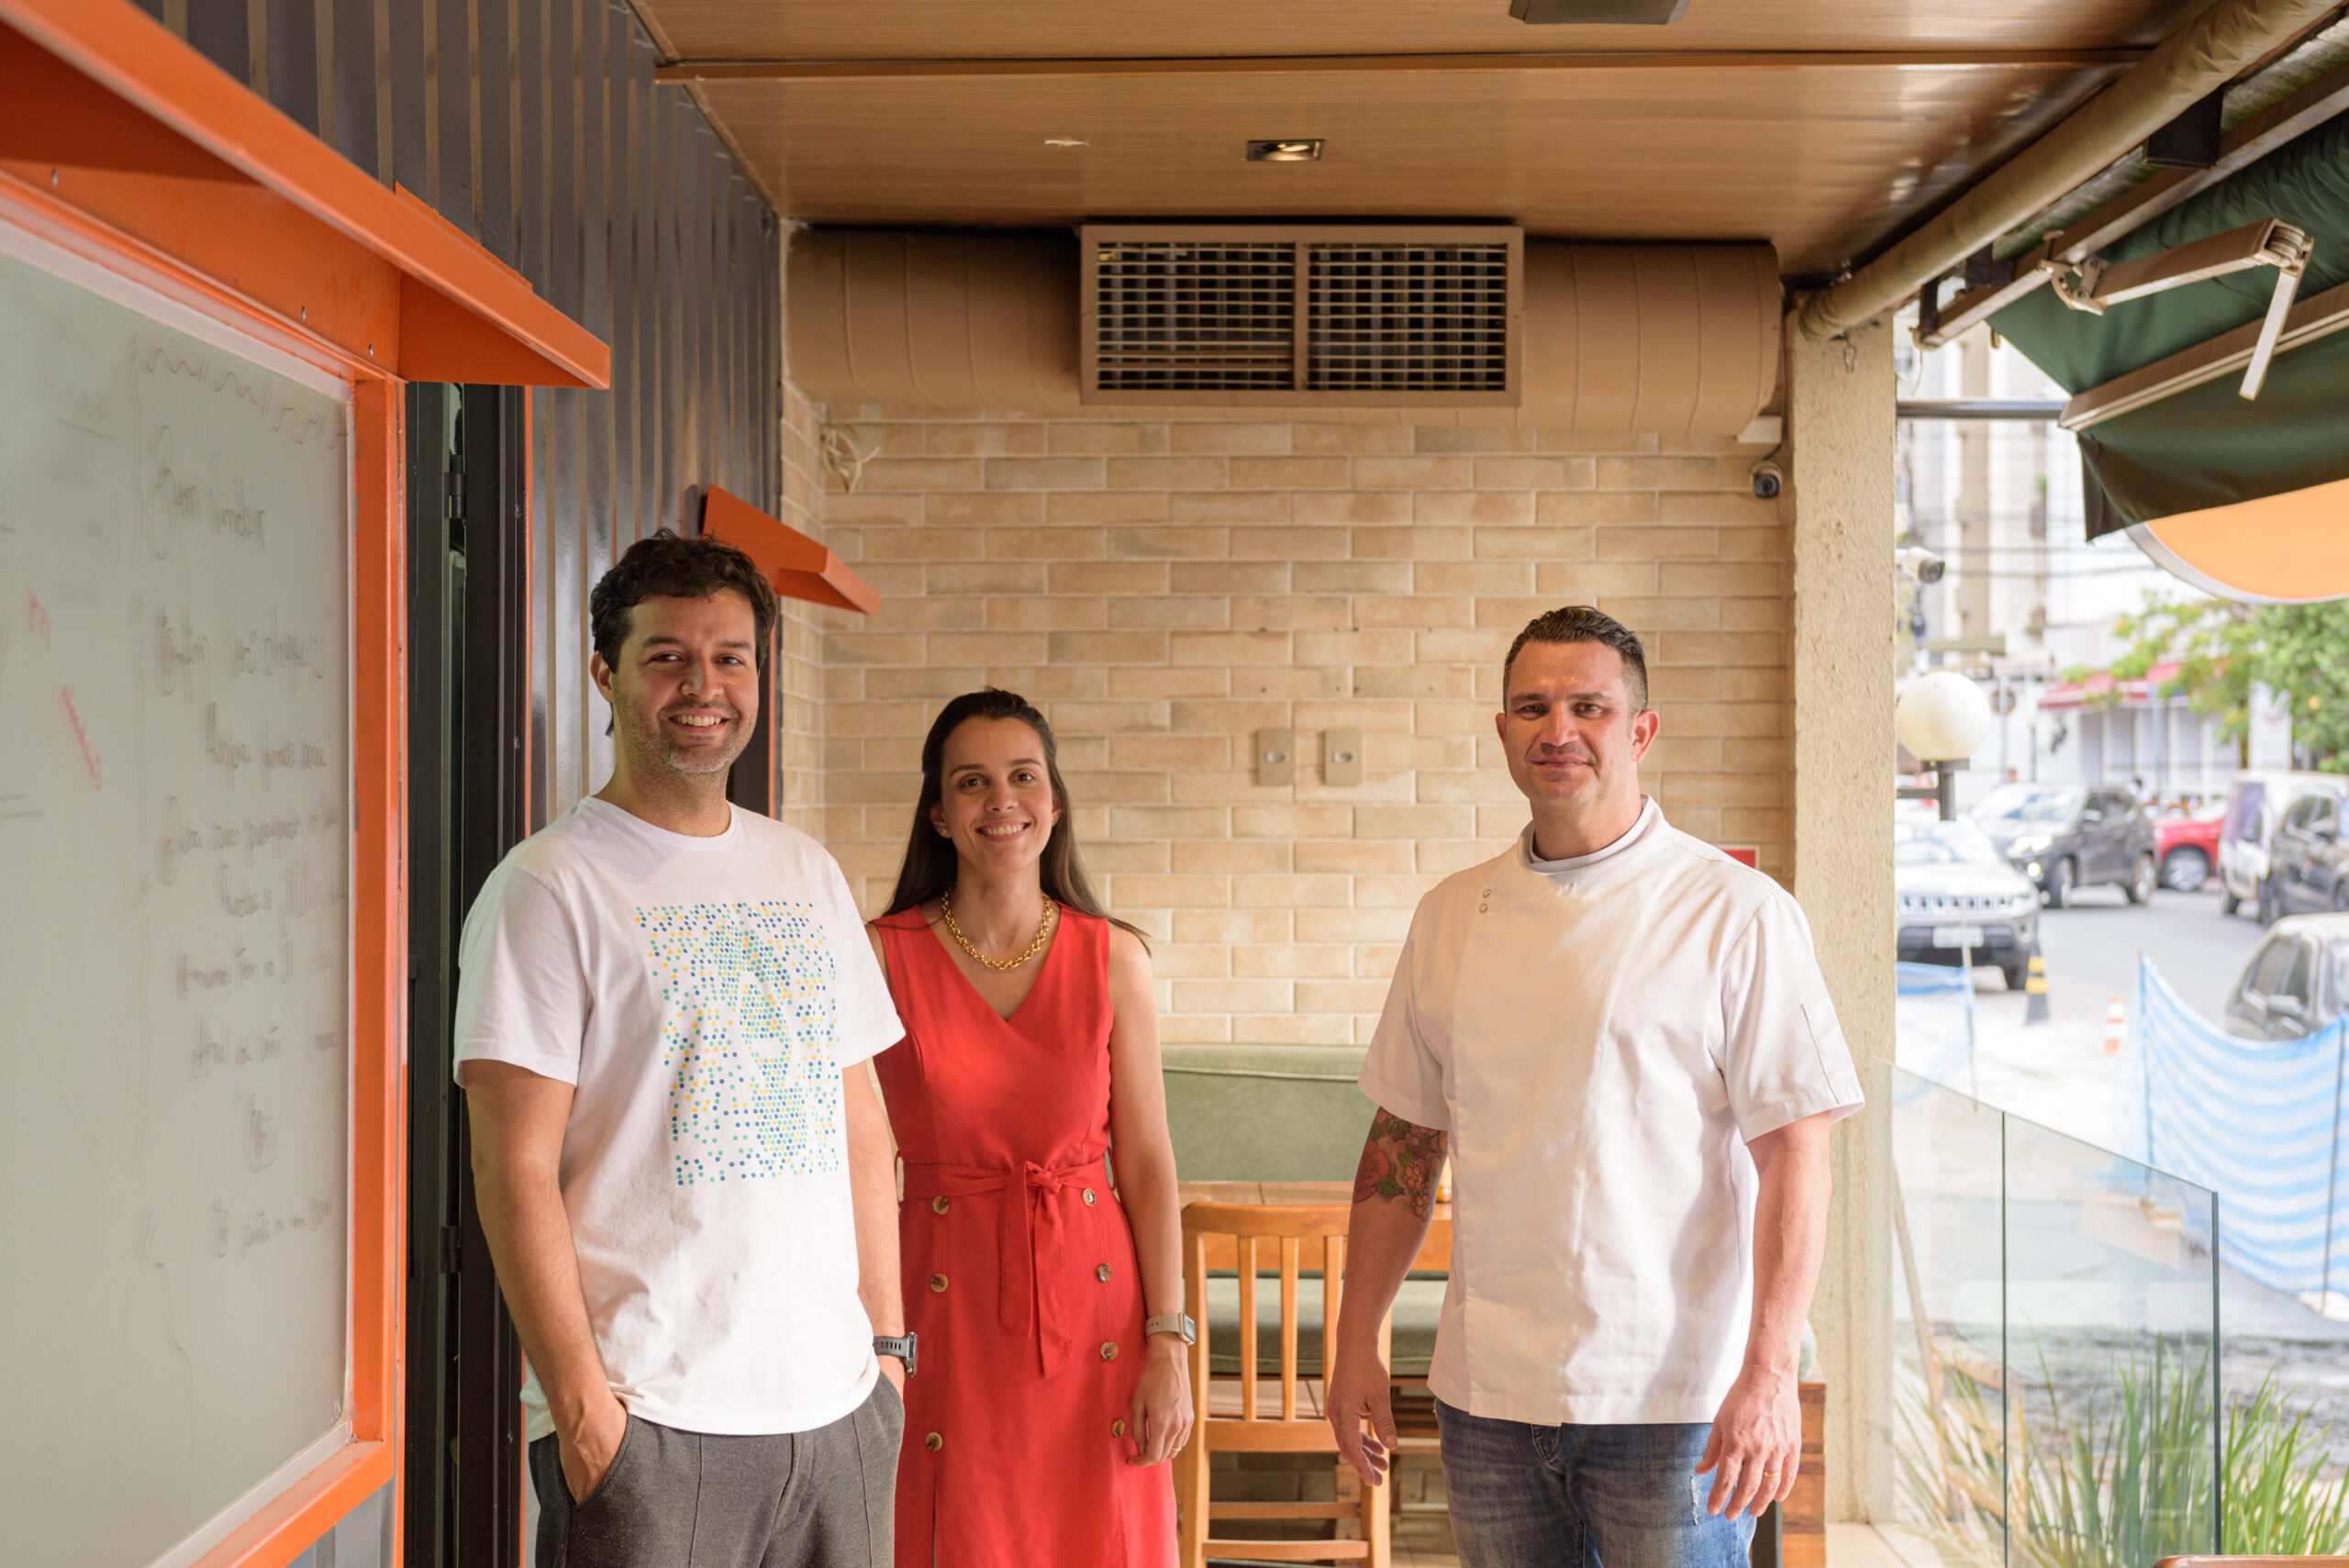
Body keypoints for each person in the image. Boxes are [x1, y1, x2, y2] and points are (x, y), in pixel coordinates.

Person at [1327, 605, 1865, 1568]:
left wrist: (1769, 1371)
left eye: (1589, 705)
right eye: (1531, 707)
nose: (1557, 729)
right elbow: (1403, 1139)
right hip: (1487, 1400)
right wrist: (1354, 1338)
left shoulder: (1736, 912)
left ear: (1641, 729)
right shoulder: (1451, 914)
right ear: (1502, 732)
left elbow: (1796, 1150)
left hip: (1674, 1405)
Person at [455, 531, 909, 1567]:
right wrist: (585, 1417)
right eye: (667, 655)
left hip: (839, 1411)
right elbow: (510, 1164)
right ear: (605, 673)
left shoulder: (806, 870)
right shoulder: (549, 886)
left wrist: (885, 1354)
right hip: (652, 1423)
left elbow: (861, 1121)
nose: (703, 684)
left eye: (730, 656)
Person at [865, 688, 1189, 1566]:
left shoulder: (1115, 956)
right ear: (937, 812)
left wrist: (1171, 1340)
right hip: (938, 1309)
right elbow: (850, 1165)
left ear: (1054, 802)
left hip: (1096, 1315)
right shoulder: (878, 956)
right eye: (971, 782)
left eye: (1022, 777)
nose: (1000, 801)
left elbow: (1151, 1165)